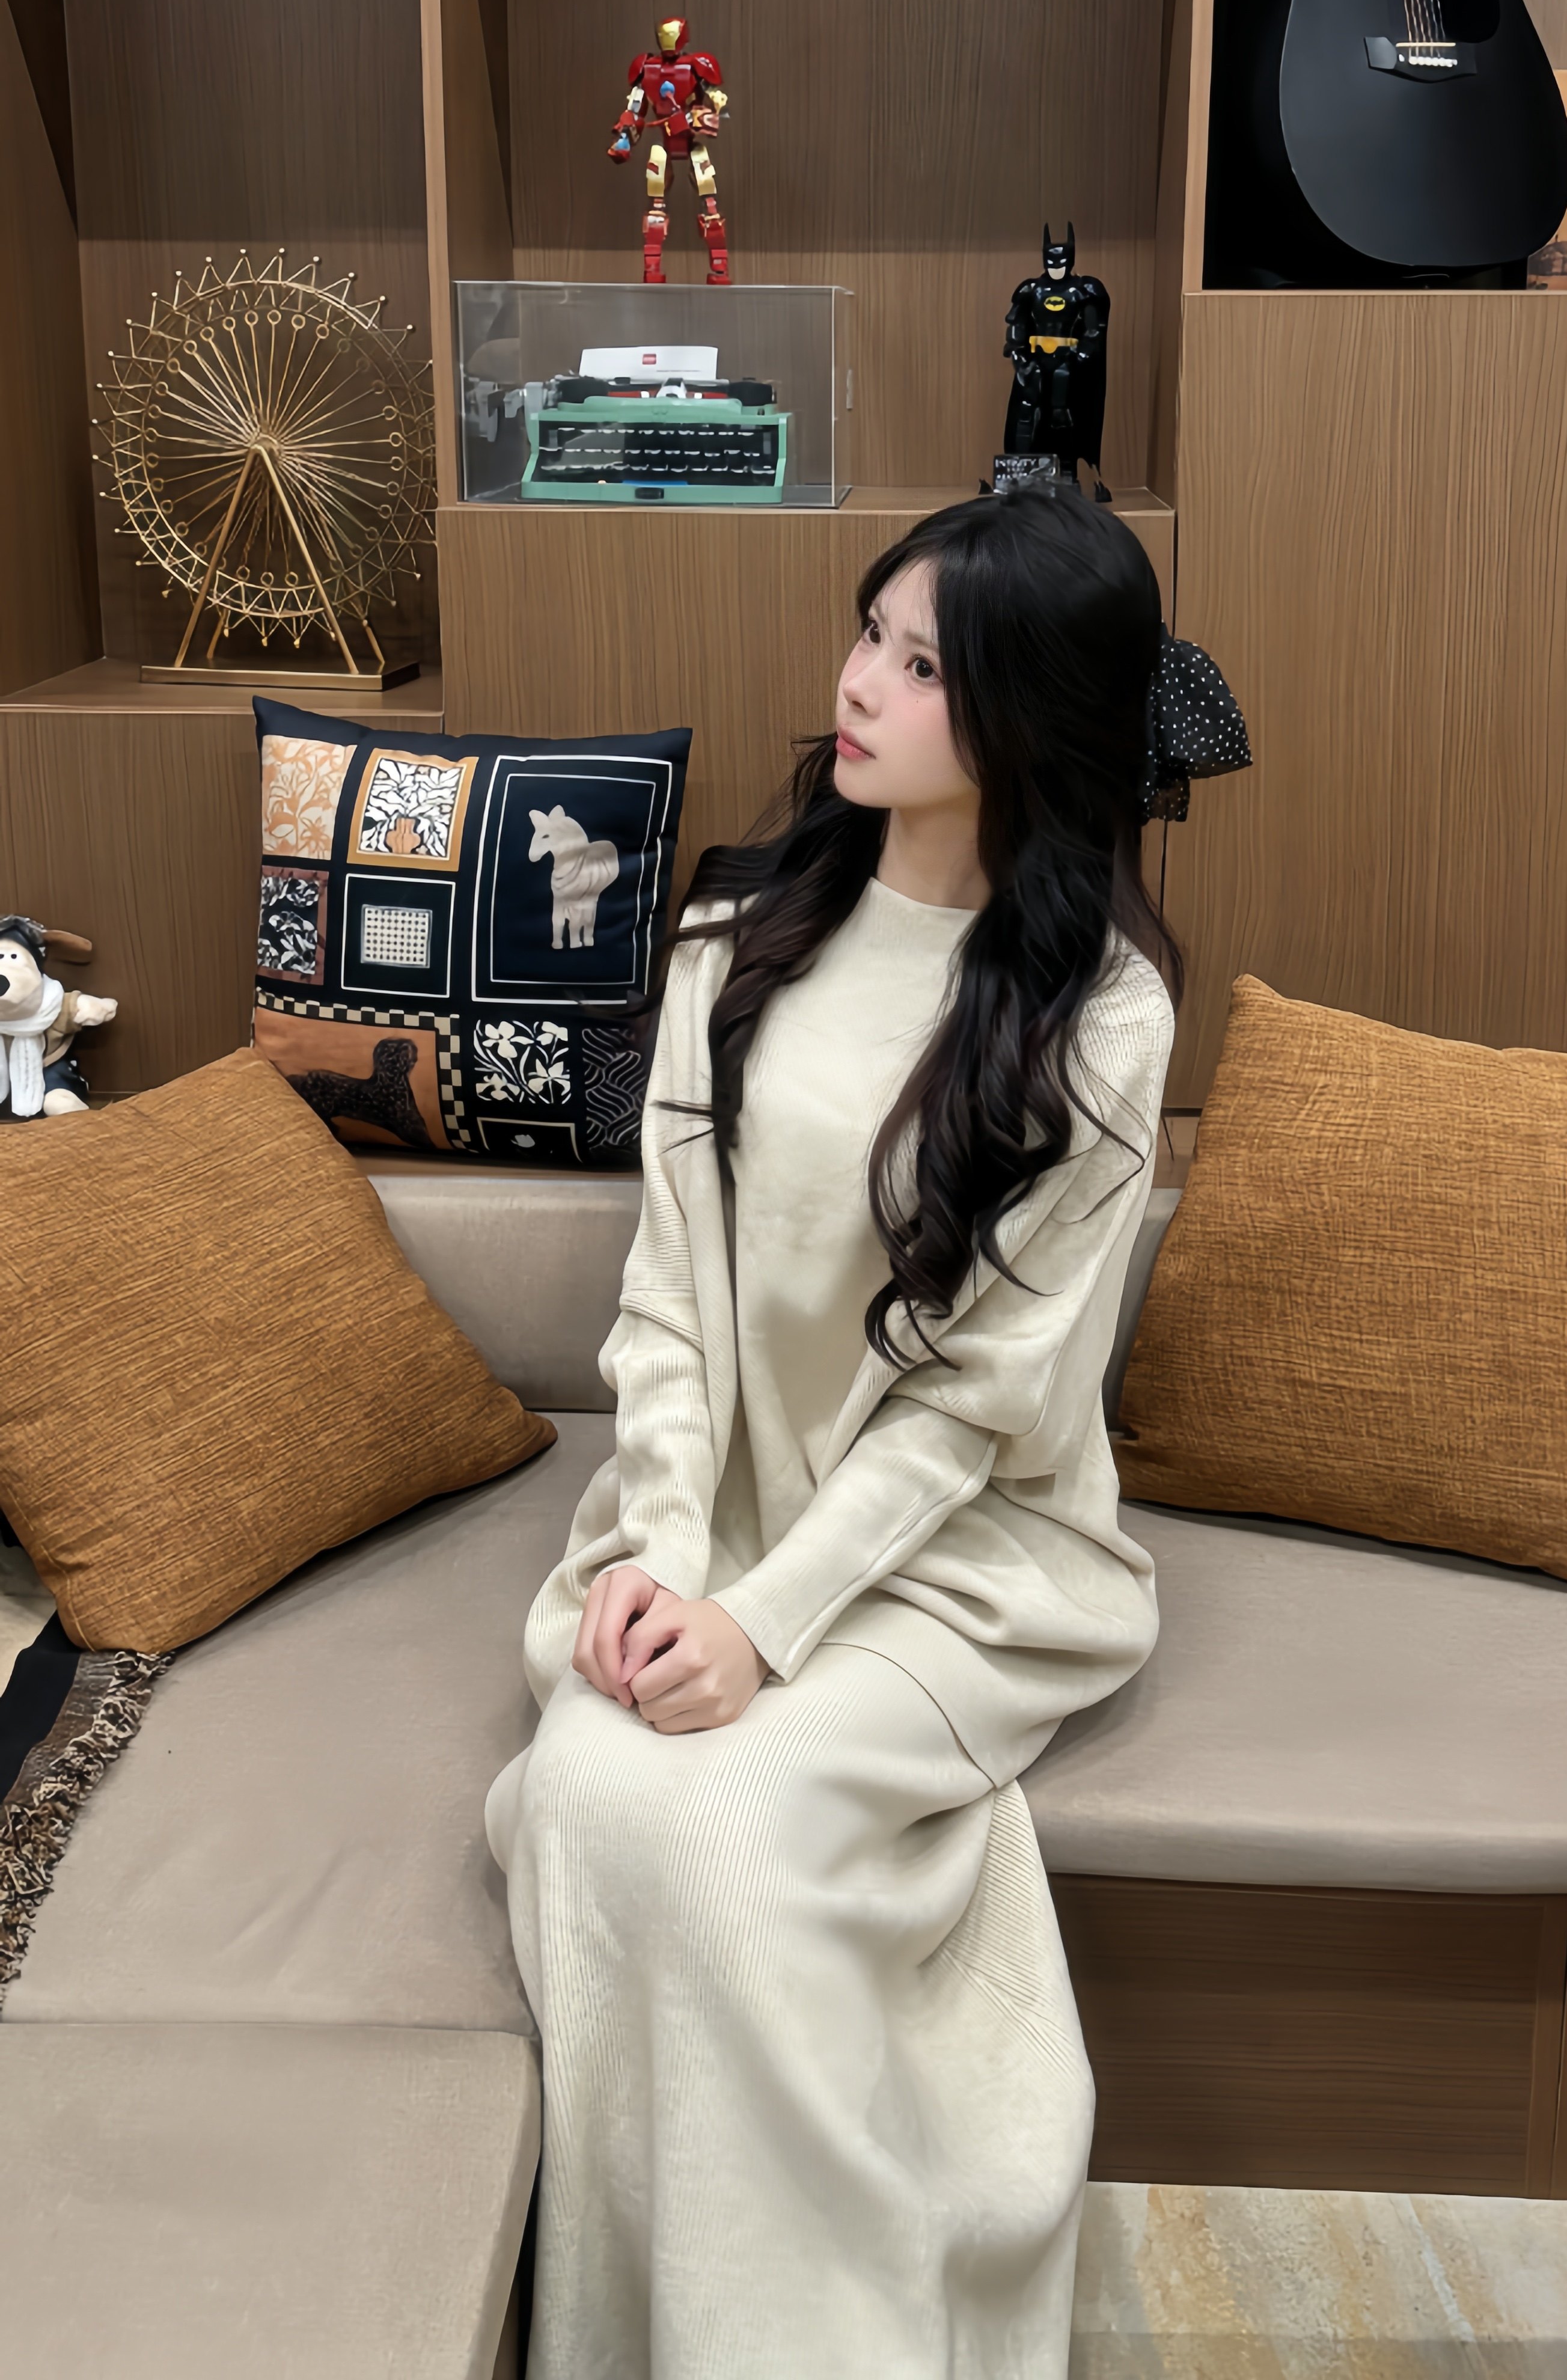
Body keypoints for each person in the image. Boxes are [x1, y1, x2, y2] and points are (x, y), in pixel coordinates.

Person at [487, 483, 1179, 2380]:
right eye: (870, 634)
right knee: (587, 1795)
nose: (859, 685)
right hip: (707, 1522)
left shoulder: (1102, 1019)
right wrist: (667, 1560)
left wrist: (767, 1626)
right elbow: (667, 1300)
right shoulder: (741, 928)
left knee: (723, 1836)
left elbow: (978, 1407)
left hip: (960, 1567)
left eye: (922, 665)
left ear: (1028, 714)